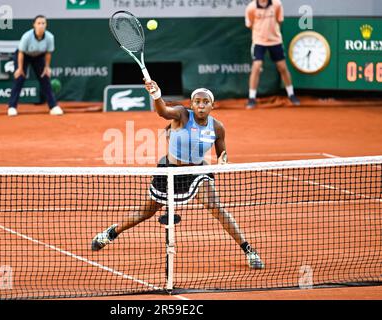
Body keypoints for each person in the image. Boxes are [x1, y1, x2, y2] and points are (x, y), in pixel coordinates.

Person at [91, 80, 265, 270]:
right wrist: (156, 95)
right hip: (169, 171)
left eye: (205, 102)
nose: (201, 105)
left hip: (197, 172)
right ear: (192, 104)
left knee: (216, 207)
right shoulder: (182, 114)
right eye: (197, 101)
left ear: (212, 105)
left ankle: (248, 250)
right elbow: (163, 111)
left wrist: (223, 162)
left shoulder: (217, 128)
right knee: (145, 213)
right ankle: (111, 232)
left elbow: (222, 155)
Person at [245, 0, 300, 109]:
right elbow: (250, 24)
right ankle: (251, 98)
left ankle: (291, 94)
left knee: (282, 67)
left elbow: (279, 21)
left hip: (275, 41)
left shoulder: (277, 4)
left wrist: (272, 34)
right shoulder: (251, 7)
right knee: (257, 66)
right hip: (259, 42)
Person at [7, 15, 63, 116]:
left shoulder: (50, 37)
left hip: (38, 56)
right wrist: (19, 68)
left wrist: (46, 67)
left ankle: (53, 106)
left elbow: (48, 53)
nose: (41, 25)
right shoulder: (27, 36)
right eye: (39, 23)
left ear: (46, 25)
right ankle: (12, 107)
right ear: (34, 25)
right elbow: (20, 52)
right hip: (24, 55)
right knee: (19, 78)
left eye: (43, 23)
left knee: (45, 78)